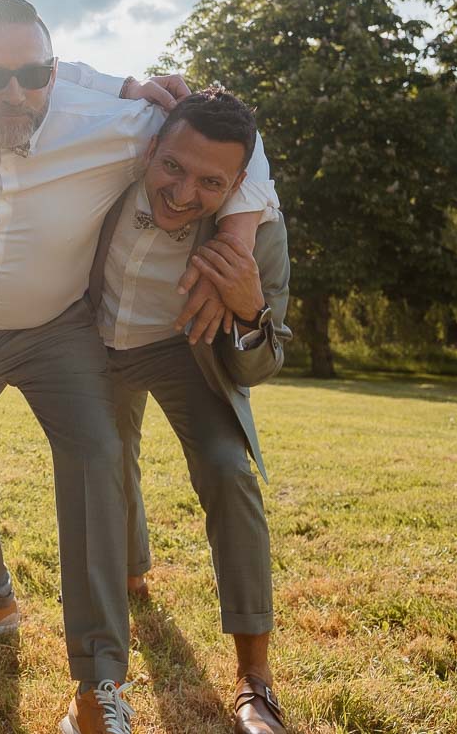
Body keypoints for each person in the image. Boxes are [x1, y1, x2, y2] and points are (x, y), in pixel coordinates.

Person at [0, 0, 278, 734]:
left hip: (61, 336)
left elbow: (234, 136)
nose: (16, 92)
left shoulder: (115, 127)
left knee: (98, 462)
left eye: (36, 73)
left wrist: (238, 243)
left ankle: (99, 684)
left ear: (55, 70)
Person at [89, 86, 292, 734]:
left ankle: (254, 678)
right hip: (97, 340)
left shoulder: (257, 233)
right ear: (151, 148)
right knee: (109, 463)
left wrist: (249, 307)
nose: (181, 193)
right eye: (172, 167)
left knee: (229, 470)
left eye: (210, 182)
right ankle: (131, 576)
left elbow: (262, 363)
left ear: (236, 188)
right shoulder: (108, 176)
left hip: (185, 352)